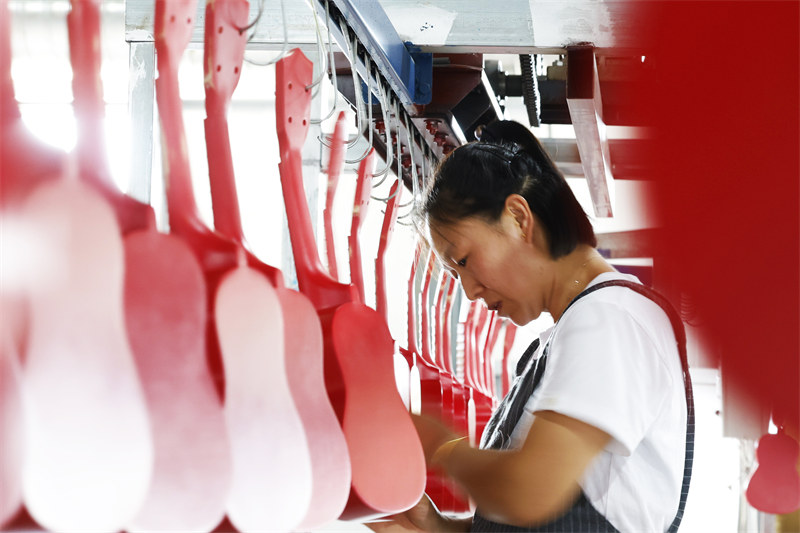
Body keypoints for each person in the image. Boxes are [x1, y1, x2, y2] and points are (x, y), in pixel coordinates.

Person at [377, 122, 693, 532]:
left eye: (465, 262)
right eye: (455, 277)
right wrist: (433, 527)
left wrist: (439, 444)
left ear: (518, 218)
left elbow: (530, 489)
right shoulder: (559, 341)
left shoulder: (611, 319)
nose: (469, 292)